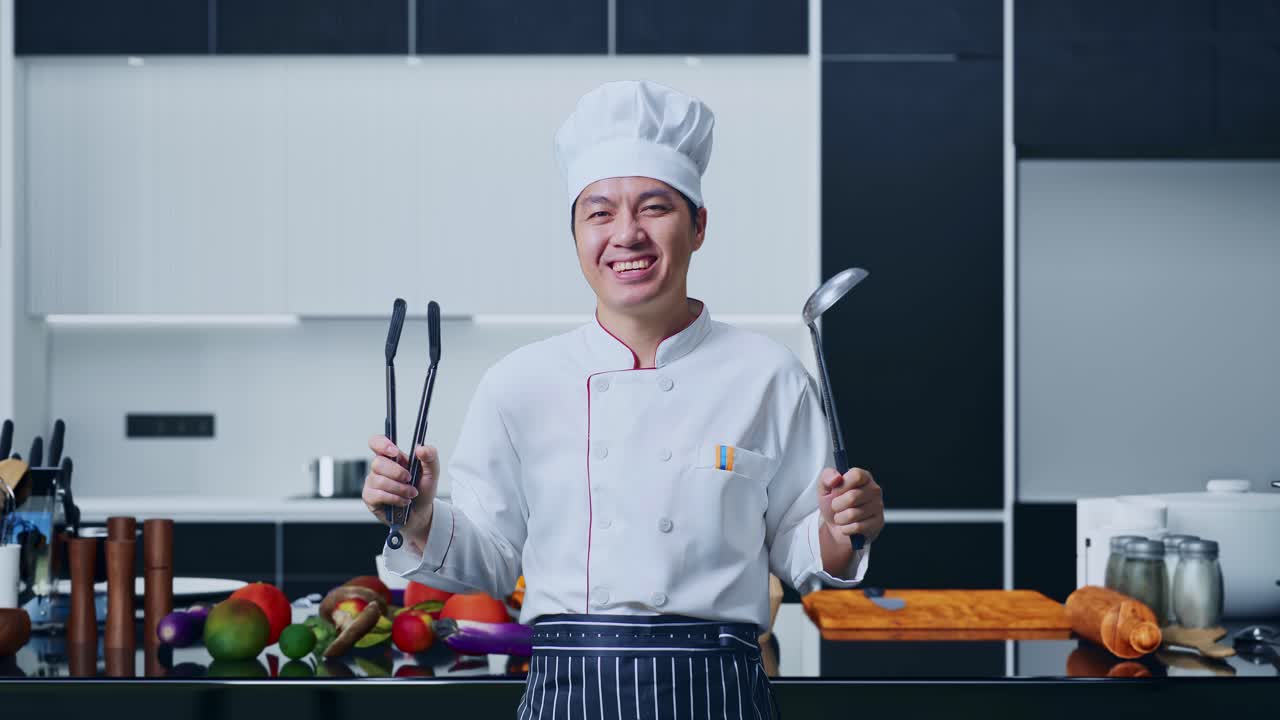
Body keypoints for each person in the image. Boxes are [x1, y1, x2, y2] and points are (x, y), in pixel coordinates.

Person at [363, 79, 884, 719]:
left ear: (698, 226)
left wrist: (841, 530)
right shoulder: (519, 382)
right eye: (600, 212)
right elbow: (493, 559)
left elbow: (800, 553)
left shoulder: (770, 376)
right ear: (576, 234)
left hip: (717, 691)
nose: (626, 234)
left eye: (654, 207)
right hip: (568, 692)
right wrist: (416, 516)